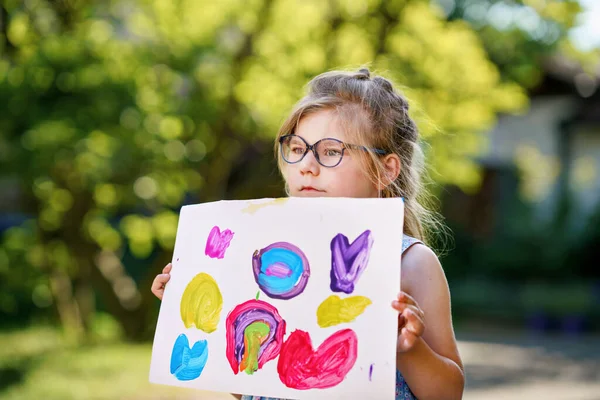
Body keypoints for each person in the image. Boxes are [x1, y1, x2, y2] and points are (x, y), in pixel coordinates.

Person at [151, 68, 465, 400]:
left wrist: (407, 349)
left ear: (386, 169)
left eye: (331, 151)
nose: (306, 166)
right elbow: (250, 385)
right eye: (298, 148)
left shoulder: (411, 262)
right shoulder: (269, 260)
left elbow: (449, 394)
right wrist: (189, 313)